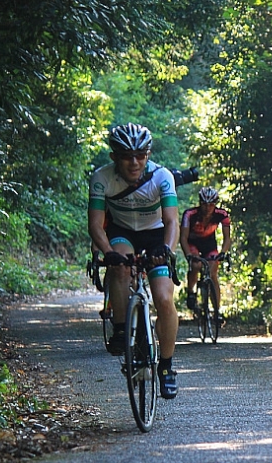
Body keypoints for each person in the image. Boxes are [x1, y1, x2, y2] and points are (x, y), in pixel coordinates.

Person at [88, 123, 181, 400]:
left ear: (148, 154)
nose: (134, 162)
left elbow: (172, 220)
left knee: (164, 299)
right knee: (119, 268)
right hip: (122, 233)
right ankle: (120, 329)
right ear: (114, 156)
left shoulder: (162, 176)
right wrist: (108, 252)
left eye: (141, 155)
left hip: (155, 236)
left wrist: (166, 248)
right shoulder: (101, 178)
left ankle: (166, 367)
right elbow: (95, 225)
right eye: (127, 155)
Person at [180, 187, 232, 321]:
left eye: (211, 204)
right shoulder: (189, 214)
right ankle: (191, 292)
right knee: (196, 265)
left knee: (213, 272)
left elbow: (227, 238)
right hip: (193, 243)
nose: (207, 207)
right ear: (199, 202)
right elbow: (183, 238)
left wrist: (223, 253)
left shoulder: (222, 214)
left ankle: (217, 312)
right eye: (204, 204)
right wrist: (188, 255)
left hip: (209, 244)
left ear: (215, 204)